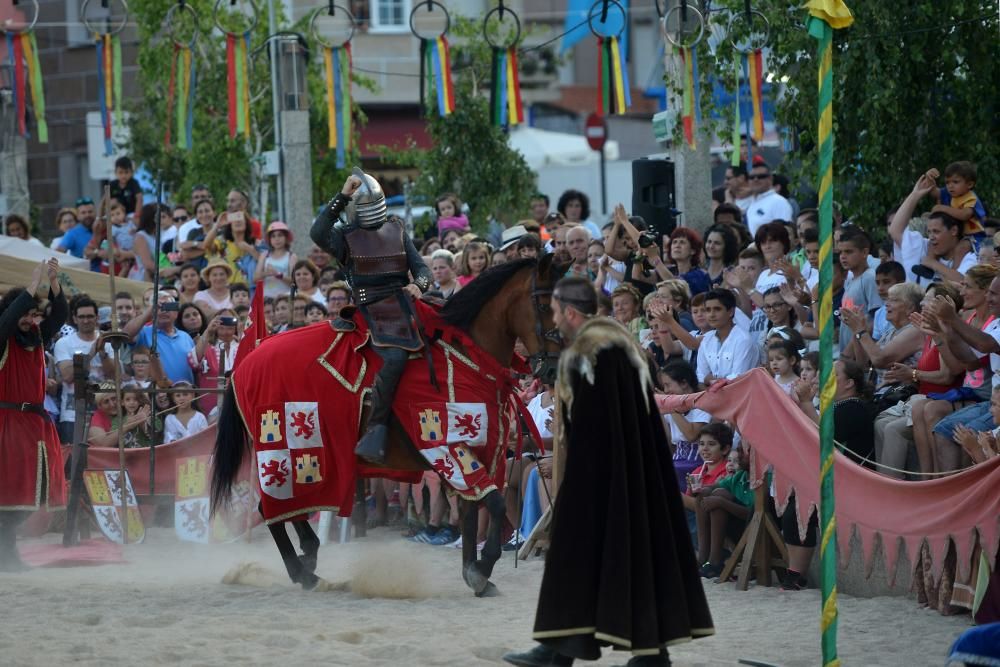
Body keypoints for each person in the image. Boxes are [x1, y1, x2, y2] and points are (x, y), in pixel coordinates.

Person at [503, 276, 713, 667]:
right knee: (623, 556)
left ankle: (569, 651)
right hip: (630, 472)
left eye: (553, 311)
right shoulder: (618, 345)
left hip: (605, 474)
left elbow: (596, 422)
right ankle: (583, 649)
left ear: (569, 311)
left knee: (586, 553)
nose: (552, 318)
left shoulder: (593, 350)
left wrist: (585, 474)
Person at [310, 170, 432, 465]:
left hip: (404, 302)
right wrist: (342, 196)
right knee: (395, 358)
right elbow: (317, 232)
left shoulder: (397, 229)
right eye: (364, 205)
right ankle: (376, 428)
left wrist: (419, 285)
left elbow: (424, 271)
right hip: (370, 309)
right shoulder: (343, 237)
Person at [0, 258, 67, 571]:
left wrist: (53, 285)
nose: (30, 320)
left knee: (32, 494)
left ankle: (7, 548)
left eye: (33, 314)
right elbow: (7, 320)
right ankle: (6, 552)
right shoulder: (3, 337)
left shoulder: (37, 338)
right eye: (25, 314)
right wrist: (29, 289)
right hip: (7, 424)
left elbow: (60, 316)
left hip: (35, 426)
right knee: (9, 493)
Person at [889, 172, 976, 285]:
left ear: (954, 231)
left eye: (936, 231)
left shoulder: (970, 257)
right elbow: (895, 231)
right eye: (929, 232)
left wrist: (932, 263)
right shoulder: (924, 247)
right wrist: (916, 194)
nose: (931, 237)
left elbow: (963, 282)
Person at [53, 296, 105, 443]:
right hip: (72, 414)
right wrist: (92, 352)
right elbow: (68, 375)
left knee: (105, 463)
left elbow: (115, 375)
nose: (86, 320)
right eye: (81, 317)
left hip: (104, 412)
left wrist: (104, 354)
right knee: (73, 464)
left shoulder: (107, 341)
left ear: (97, 317)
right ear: (74, 319)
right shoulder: (64, 343)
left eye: (90, 316)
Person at [124, 293, 196, 384]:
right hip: (158, 394)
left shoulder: (185, 336)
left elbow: (195, 366)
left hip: (186, 394)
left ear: (176, 313)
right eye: (159, 307)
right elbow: (125, 335)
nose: (163, 311)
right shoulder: (144, 333)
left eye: (168, 306)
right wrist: (147, 314)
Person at [697, 289, 759, 386]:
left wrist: (709, 380)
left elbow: (736, 381)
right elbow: (700, 378)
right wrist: (714, 381)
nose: (711, 315)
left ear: (730, 311)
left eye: (717, 309)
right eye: (708, 310)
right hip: (711, 397)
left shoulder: (743, 340)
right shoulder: (706, 339)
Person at [926, 161, 987, 240]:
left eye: (955, 182)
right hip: (956, 234)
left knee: (960, 248)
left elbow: (965, 215)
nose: (950, 186)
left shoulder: (971, 198)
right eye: (947, 182)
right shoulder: (950, 193)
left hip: (973, 236)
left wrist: (942, 208)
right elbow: (934, 192)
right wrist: (929, 179)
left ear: (969, 184)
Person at [745, 163, 793, 236]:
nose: (756, 179)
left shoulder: (778, 201)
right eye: (752, 177)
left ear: (770, 179)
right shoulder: (751, 205)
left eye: (761, 176)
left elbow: (786, 232)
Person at [255, 221, 297, 298]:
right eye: (273, 236)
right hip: (266, 299)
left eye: (280, 235)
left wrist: (278, 274)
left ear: (286, 238)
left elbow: (294, 281)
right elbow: (255, 279)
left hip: (285, 299)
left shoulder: (291, 256)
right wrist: (266, 273)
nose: (277, 239)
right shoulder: (264, 255)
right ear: (269, 240)